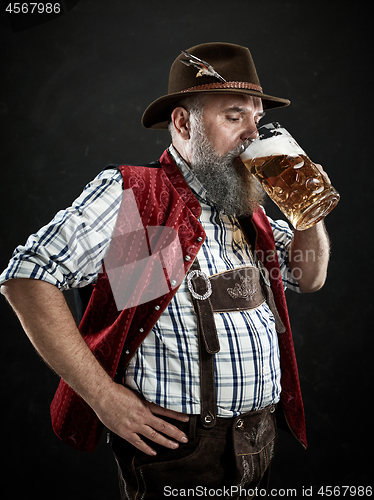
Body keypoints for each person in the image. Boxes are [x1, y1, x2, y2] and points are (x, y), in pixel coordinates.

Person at [1, 43, 330, 499]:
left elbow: (308, 276)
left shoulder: (245, 208)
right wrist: (103, 397)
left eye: (256, 119)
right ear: (182, 123)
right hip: (180, 452)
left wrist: (307, 213)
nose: (253, 134)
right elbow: (27, 276)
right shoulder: (141, 200)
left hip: (258, 442)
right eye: (235, 117)